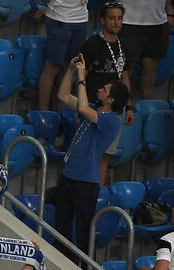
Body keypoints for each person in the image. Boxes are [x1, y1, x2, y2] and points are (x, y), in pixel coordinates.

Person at [53, 56, 127, 251]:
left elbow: (83, 107)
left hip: (85, 183)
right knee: (61, 229)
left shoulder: (111, 120)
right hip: (68, 176)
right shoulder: (94, 110)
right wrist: (69, 70)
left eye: (105, 90)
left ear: (110, 100)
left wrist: (82, 77)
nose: (100, 89)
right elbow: (63, 96)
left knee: (83, 233)